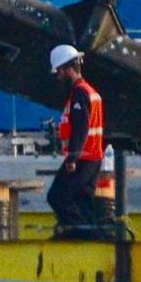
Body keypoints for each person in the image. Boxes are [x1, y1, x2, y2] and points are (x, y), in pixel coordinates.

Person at [44, 42, 115, 239]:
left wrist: (73, 158)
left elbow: (81, 127)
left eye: (58, 72)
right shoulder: (91, 92)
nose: (57, 77)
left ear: (68, 69)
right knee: (82, 200)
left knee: (58, 197)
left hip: (83, 158)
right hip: (92, 157)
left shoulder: (79, 93)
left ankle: (77, 234)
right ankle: (90, 235)